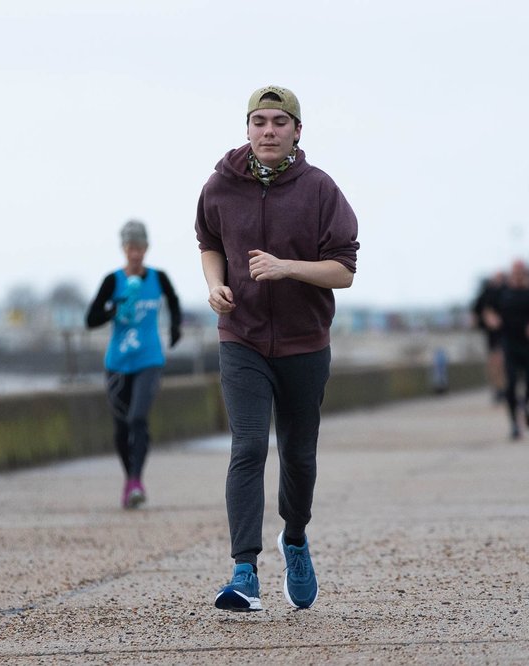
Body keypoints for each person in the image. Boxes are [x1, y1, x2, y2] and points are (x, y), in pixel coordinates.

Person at [195, 85, 359, 612]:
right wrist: (215, 286)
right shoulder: (220, 185)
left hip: (303, 343)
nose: (268, 130)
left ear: (296, 131)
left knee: (298, 455)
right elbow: (210, 244)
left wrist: (287, 268)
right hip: (240, 338)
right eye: (259, 121)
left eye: (278, 122)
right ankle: (244, 572)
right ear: (247, 128)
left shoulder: (318, 190)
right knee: (247, 447)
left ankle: (295, 539)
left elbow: (344, 271)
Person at [85, 220, 182, 509]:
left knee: (138, 418)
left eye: (140, 247)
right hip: (117, 363)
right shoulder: (112, 281)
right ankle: (130, 482)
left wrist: (176, 328)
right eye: (130, 247)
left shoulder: (158, 278)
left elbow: (174, 301)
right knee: (121, 427)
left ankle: (137, 479)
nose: (136, 253)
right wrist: (114, 308)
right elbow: (90, 320)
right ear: (123, 249)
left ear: (147, 248)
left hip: (149, 359)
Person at [481, 260, 529, 441]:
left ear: (526, 272)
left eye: (521, 271)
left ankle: (525, 405)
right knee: (510, 384)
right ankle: (514, 425)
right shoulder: (501, 291)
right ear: (511, 273)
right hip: (509, 343)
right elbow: (487, 309)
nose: (518, 274)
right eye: (515, 271)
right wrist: (492, 319)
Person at [472, 271, 507, 403]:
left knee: (502, 361)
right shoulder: (486, 294)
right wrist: (487, 318)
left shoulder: (507, 292)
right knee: (494, 362)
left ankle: (503, 388)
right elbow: (476, 312)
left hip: (505, 333)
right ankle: (497, 389)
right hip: (491, 335)